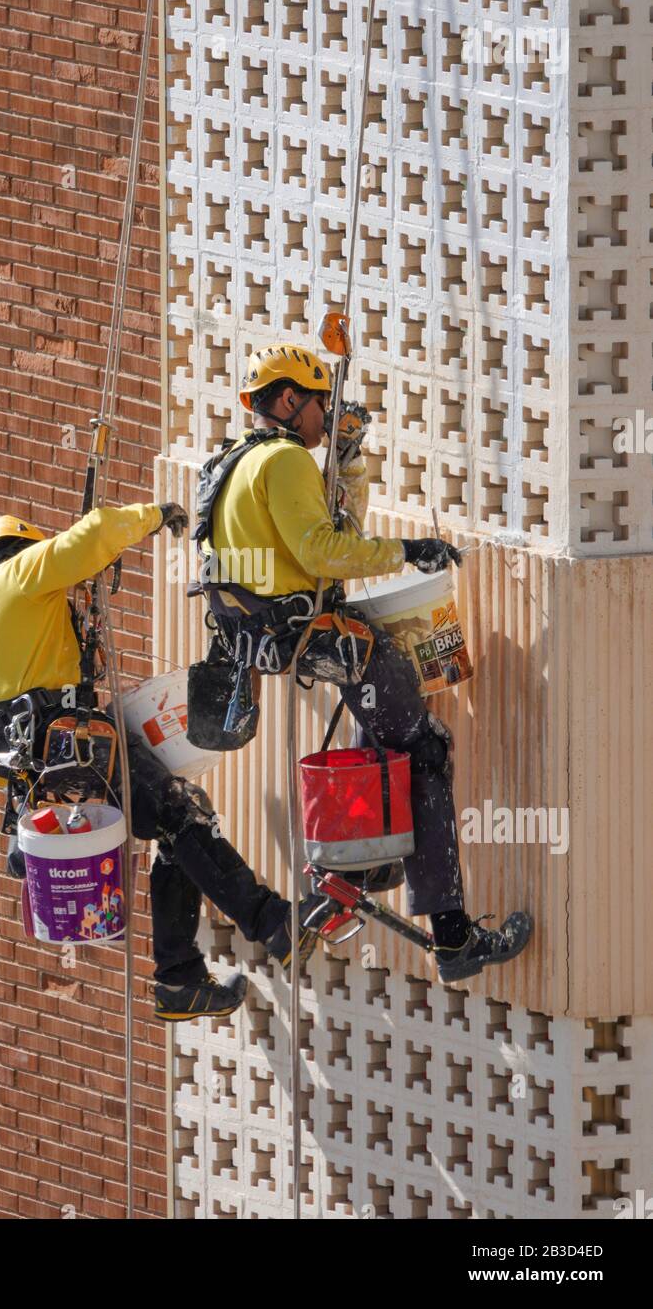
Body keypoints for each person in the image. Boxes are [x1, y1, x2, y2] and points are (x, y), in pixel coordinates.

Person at [196, 342, 533, 983]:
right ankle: (455, 939)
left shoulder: (232, 464)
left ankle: (358, 870)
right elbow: (326, 549)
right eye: (321, 403)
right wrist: (411, 548)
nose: (327, 415)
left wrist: (347, 464)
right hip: (321, 639)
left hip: (274, 639)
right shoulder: (288, 460)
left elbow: (325, 536)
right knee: (423, 750)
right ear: (291, 400)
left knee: (381, 744)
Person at [0, 506, 332, 1022]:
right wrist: (153, 517)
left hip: (42, 771)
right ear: (22, 552)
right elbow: (93, 535)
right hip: (75, 746)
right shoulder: (21, 574)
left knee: (176, 826)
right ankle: (272, 924)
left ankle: (180, 980)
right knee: (185, 815)